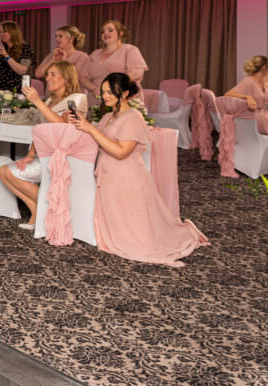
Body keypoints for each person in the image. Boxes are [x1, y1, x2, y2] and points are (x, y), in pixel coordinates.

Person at [69, 72, 207, 267]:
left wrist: (90, 129)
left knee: (137, 231)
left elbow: (120, 152)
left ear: (124, 93)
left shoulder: (133, 117)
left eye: (110, 92)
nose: (105, 96)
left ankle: (180, 235)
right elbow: (100, 141)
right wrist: (81, 126)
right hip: (109, 176)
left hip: (127, 178)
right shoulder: (108, 115)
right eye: (104, 92)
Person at [0, 61, 88, 230]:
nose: (48, 78)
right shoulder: (50, 100)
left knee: (10, 173)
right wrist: (30, 155)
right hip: (44, 156)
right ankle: (38, 212)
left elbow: (63, 125)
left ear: (66, 77)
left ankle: (48, 210)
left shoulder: (77, 98)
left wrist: (37, 101)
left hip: (63, 159)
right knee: (3, 172)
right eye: (48, 75)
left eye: (53, 74)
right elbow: (40, 131)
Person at [79, 19, 148, 101]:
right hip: (97, 98)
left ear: (121, 33)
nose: (105, 33)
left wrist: (112, 88)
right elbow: (83, 77)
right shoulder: (95, 53)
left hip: (123, 98)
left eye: (110, 30)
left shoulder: (130, 50)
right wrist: (94, 89)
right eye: (102, 32)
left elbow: (136, 73)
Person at [0, 20, 35, 92]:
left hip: (16, 89)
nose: (1, 34)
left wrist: (5, 55)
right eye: (0, 32)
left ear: (12, 32)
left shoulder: (25, 48)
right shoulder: (1, 47)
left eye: (4, 32)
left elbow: (22, 70)